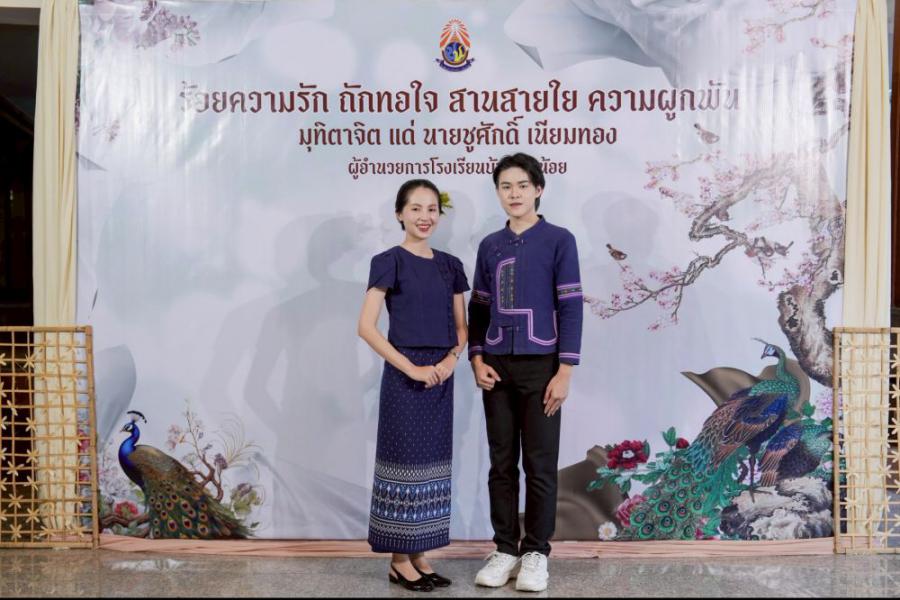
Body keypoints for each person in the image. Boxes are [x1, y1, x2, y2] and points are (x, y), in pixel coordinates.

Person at [469, 153, 583, 592]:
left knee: (540, 463)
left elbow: (570, 306)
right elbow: (479, 307)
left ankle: (536, 552)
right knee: (501, 463)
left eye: (521, 185)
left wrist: (565, 370)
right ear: (498, 192)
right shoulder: (490, 245)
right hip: (496, 367)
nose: (513, 194)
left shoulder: (559, 240)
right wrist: (477, 358)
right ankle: (504, 549)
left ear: (538, 189)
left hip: (542, 367)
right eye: (505, 186)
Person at [357, 179, 469, 592]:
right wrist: (413, 369)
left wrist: (450, 360)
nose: (425, 217)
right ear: (399, 214)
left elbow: (461, 327)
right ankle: (399, 560)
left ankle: (419, 554)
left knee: (431, 467)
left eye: (432, 209)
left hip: (441, 375)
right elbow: (366, 327)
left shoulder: (451, 265)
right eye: (416, 209)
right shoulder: (388, 261)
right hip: (405, 376)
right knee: (403, 465)